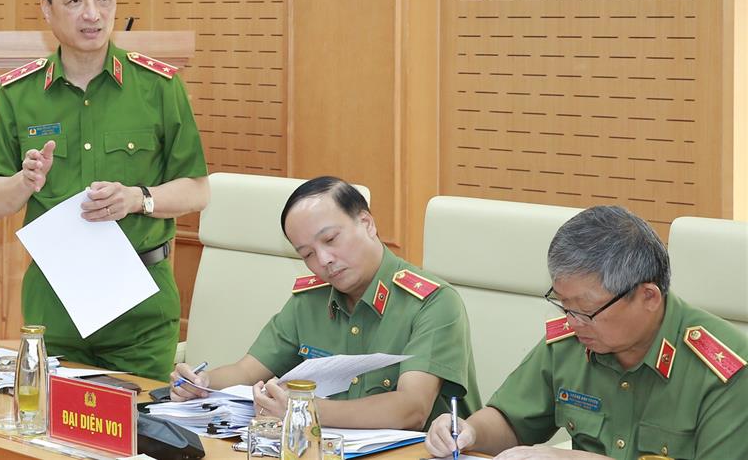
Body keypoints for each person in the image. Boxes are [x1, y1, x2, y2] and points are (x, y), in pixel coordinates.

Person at [0, 0, 209, 381]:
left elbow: (197, 190)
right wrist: (25, 181)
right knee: (51, 419)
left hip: (141, 306)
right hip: (55, 305)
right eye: (75, 1)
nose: (92, 14)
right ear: (46, 10)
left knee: (141, 419)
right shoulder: (17, 93)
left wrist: (138, 198)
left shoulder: (158, 86)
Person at [424, 205, 747, 460]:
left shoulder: (725, 372)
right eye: (564, 305)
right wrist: (468, 431)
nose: (574, 321)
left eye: (587, 309)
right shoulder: (572, 340)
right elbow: (512, 422)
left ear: (648, 297)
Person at [170, 176, 481, 430]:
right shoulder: (310, 301)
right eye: (307, 254)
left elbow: (411, 410)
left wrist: (305, 410)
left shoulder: (433, 303)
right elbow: (247, 370)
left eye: (331, 239)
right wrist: (202, 383)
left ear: (367, 223)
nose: (324, 260)